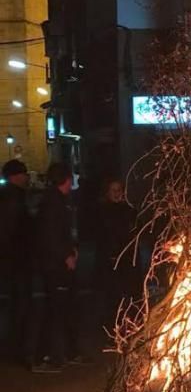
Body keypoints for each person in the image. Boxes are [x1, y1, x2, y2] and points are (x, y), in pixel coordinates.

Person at [29, 162, 83, 372]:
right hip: (55, 265)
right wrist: (66, 255)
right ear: (67, 180)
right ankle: (43, 356)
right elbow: (52, 235)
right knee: (55, 309)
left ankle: (64, 352)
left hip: (55, 263)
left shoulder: (54, 201)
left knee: (63, 307)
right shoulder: (54, 203)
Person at [0, 159, 32, 358]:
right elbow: (13, 231)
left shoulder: (9, 197)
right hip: (17, 259)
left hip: (13, 259)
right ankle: (17, 346)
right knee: (20, 303)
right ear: (15, 176)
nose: (26, 177)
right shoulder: (14, 198)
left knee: (16, 302)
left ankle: (15, 344)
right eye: (23, 173)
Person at [96, 178, 138, 326]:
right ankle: (113, 325)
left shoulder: (126, 209)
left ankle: (126, 323)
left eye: (119, 190)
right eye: (113, 190)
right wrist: (112, 254)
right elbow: (106, 235)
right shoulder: (103, 211)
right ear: (107, 192)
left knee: (126, 292)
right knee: (112, 294)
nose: (116, 193)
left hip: (126, 257)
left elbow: (132, 228)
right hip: (111, 258)